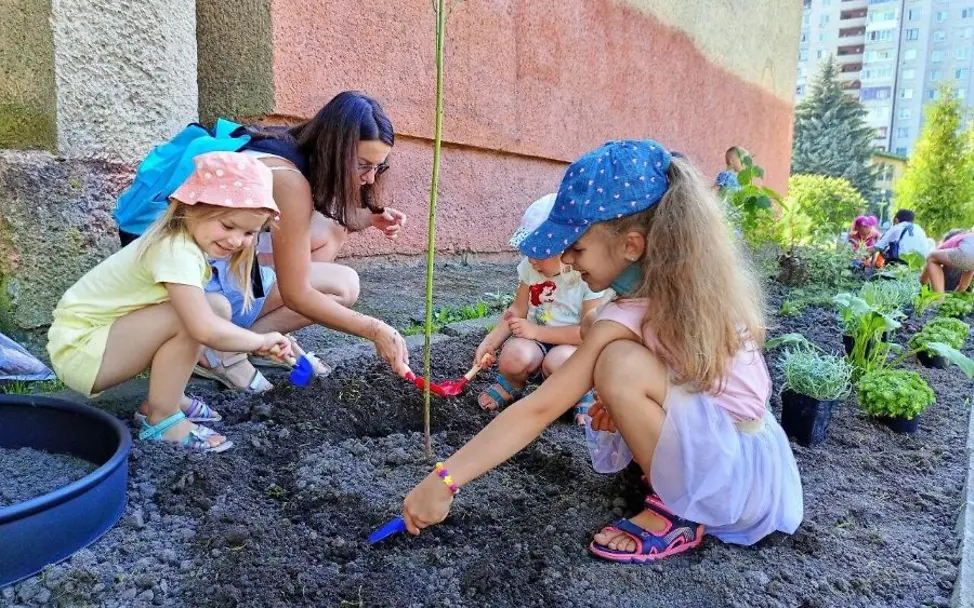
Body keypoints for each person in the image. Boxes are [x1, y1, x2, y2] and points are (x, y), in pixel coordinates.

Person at [399, 140, 803, 562]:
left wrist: (444, 480)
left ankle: (678, 513)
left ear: (631, 246)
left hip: (730, 486)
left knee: (618, 367)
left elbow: (538, 408)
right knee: (613, 369)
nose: (569, 261)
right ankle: (666, 481)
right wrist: (632, 403)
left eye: (577, 246)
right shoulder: (692, 293)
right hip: (754, 462)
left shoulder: (622, 318)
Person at [115, 91, 411, 392]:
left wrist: (365, 219)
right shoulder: (289, 181)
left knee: (333, 227)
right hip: (180, 284)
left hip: (168, 259)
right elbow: (296, 295)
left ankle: (243, 342)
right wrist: (375, 330)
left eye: (378, 167)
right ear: (337, 150)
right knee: (343, 285)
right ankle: (227, 346)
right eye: (363, 165)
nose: (370, 179)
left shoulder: (283, 147)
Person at [47, 153, 293, 452]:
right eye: (228, 226)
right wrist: (259, 341)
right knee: (191, 319)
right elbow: (203, 330)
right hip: (81, 351)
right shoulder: (176, 251)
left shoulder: (183, 244)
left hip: (100, 341)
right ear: (191, 208)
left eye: (249, 232)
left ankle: (164, 398)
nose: (236, 240)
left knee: (215, 307)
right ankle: (162, 419)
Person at [473, 194, 605, 424]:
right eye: (528, 250)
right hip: (536, 345)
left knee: (561, 362)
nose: (531, 259)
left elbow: (588, 333)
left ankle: (580, 392)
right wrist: (490, 342)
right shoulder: (531, 269)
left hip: (575, 348)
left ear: (567, 248)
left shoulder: (587, 276)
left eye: (539, 252)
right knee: (512, 356)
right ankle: (513, 385)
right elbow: (517, 310)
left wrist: (536, 332)